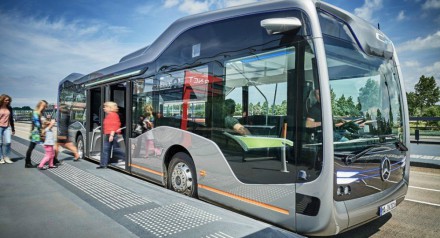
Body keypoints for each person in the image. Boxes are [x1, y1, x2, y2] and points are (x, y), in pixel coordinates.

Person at [97, 101, 125, 169]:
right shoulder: (110, 115)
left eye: (105, 107)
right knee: (107, 149)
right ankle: (103, 164)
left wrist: (111, 135)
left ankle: (125, 158)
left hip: (111, 134)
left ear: (110, 108)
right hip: (108, 134)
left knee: (113, 149)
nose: (104, 108)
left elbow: (114, 125)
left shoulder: (113, 115)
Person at [25, 100, 48, 168]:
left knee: (47, 146)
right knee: (31, 147)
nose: (45, 108)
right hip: (36, 133)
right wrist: (42, 130)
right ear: (40, 105)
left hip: (38, 133)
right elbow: (37, 123)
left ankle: (28, 162)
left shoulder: (40, 113)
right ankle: (27, 163)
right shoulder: (35, 112)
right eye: (44, 106)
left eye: (45, 106)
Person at [0, 94, 15, 164]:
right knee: (0, 143)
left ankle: (7, 157)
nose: (7, 101)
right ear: (2, 100)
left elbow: (11, 119)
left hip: (7, 127)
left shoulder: (10, 108)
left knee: (8, 142)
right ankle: (1, 158)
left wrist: (13, 129)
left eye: (8, 100)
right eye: (6, 100)